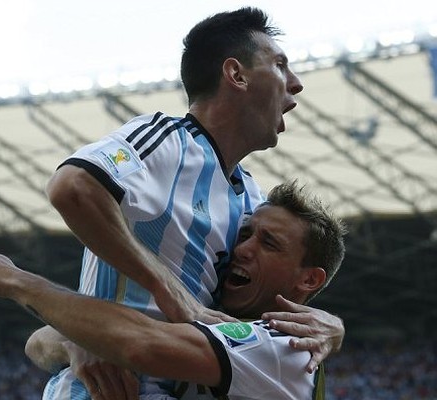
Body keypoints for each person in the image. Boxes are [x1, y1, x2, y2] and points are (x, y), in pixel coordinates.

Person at [28, 6, 343, 398]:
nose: (294, 83)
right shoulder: (166, 140)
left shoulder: (252, 200)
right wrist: (162, 285)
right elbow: (72, 187)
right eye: (280, 65)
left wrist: (332, 327)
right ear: (236, 75)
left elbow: (275, 297)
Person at [0, 180, 348, 400]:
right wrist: (79, 345)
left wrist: (19, 282)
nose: (243, 248)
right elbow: (38, 343)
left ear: (309, 279)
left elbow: (138, 343)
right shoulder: (212, 321)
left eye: (268, 243)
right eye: (246, 233)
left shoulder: (286, 350)